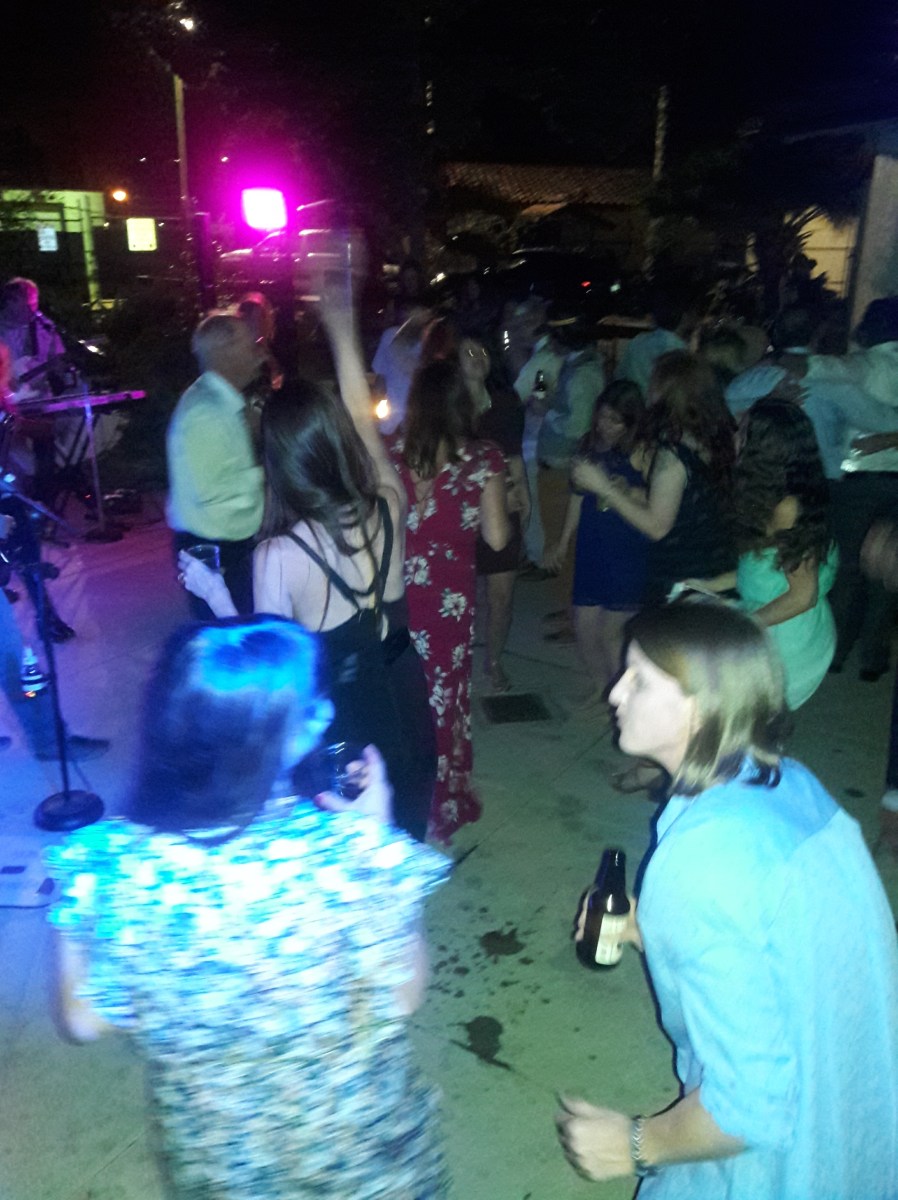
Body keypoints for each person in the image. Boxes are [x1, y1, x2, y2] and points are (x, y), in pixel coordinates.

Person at [46, 616, 450, 1199]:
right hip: (356, 1156)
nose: (326, 715)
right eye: (310, 709)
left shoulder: (103, 864)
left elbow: (83, 1020)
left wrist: (84, 908)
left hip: (223, 1165)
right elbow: (403, 993)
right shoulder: (346, 852)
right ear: (266, 741)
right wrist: (378, 835)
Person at [557, 600, 898, 1199]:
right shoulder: (788, 783)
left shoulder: (704, 858)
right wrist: (649, 927)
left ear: (703, 705)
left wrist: (636, 1143)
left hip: (780, 1164)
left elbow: (751, 1110)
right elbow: (772, 940)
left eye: (639, 680)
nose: (615, 692)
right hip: (853, 1104)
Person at [180, 296, 437, 842]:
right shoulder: (388, 505)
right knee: (406, 822)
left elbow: (272, 673)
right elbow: (366, 427)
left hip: (346, 723)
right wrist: (342, 327)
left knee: (353, 848)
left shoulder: (279, 556)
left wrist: (214, 592)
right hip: (404, 691)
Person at [391, 357, 511, 844]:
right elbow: (498, 539)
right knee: (444, 700)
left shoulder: (390, 452)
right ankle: (438, 808)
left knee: (403, 697)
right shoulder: (483, 460)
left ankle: (402, 798)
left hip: (396, 598)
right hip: (446, 604)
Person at [692, 399, 837, 709]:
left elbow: (803, 595)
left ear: (763, 450)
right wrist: (710, 585)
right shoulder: (771, 494)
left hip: (787, 638)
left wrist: (743, 625)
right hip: (770, 624)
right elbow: (766, 568)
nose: (735, 435)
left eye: (744, 431)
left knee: (750, 719)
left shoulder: (789, 507)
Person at [572, 351, 736, 605]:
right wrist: (632, 492)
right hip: (715, 567)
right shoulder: (711, 439)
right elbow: (689, 503)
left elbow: (657, 527)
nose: (649, 390)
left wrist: (604, 488)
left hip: (681, 579)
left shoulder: (672, 455)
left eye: (654, 382)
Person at [544, 380, 650, 708]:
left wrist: (624, 490)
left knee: (612, 633)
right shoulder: (588, 446)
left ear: (631, 422)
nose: (606, 426)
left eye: (615, 420)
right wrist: (563, 542)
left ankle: (624, 700)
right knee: (584, 626)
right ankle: (602, 687)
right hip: (592, 544)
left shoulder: (642, 451)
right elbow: (577, 497)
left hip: (625, 547)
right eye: (602, 416)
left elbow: (656, 502)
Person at [166, 313, 266, 617]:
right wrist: (269, 475)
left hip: (226, 541)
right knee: (231, 634)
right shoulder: (206, 412)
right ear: (226, 352)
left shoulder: (221, 402)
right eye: (251, 344)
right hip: (216, 547)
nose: (259, 352)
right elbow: (215, 492)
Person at [460, 334, 529, 692]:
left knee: (502, 595)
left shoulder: (505, 402)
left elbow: (514, 455)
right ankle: (455, 658)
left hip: (503, 503)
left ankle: (494, 660)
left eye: (483, 351)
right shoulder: (448, 404)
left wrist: (524, 493)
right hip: (460, 510)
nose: (478, 357)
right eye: (469, 352)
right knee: (458, 595)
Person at [614, 287, 697, 396]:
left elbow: (619, 377)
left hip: (634, 402)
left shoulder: (637, 341)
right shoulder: (679, 351)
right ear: (685, 316)